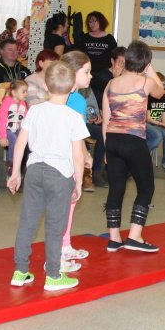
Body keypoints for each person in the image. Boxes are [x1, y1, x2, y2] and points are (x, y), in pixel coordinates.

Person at [7, 60, 88, 292]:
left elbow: (20, 143)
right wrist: (78, 184)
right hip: (59, 175)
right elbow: (78, 156)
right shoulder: (73, 117)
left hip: (34, 171)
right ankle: (53, 275)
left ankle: (20, 271)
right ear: (72, 86)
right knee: (55, 226)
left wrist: (16, 172)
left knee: (27, 222)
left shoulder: (35, 110)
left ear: (45, 85)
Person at [102, 41, 165, 252]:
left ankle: (114, 238)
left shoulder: (111, 84)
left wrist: (106, 149)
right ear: (145, 63)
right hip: (133, 140)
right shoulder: (145, 82)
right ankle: (134, 236)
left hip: (113, 140)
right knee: (146, 187)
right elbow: (160, 92)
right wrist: (151, 69)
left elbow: (106, 120)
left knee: (116, 188)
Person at [59, 50, 96, 247]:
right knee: (68, 203)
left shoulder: (57, 96)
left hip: (57, 157)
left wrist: (86, 152)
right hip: (67, 158)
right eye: (86, 72)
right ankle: (63, 246)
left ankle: (64, 244)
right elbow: (76, 136)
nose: (91, 76)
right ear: (73, 73)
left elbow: (77, 133)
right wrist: (84, 155)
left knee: (64, 206)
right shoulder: (77, 100)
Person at [0, 80, 29, 178]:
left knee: (24, 140)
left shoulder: (23, 104)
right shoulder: (7, 102)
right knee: (15, 140)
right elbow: (2, 120)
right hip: (4, 130)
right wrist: (2, 137)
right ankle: (12, 164)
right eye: (23, 91)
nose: (26, 94)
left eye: (26, 91)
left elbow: (26, 119)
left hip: (16, 129)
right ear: (14, 92)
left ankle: (22, 164)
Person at [91, 46, 125, 118]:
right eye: (120, 62)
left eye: (125, 63)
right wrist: (116, 78)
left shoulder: (127, 77)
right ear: (112, 61)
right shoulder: (100, 78)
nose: (123, 66)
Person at [79, 11, 117, 75]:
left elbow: (115, 56)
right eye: (90, 22)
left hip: (105, 74)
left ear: (101, 21)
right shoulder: (84, 38)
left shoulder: (109, 38)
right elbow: (79, 55)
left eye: (94, 21)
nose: (92, 24)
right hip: (87, 72)